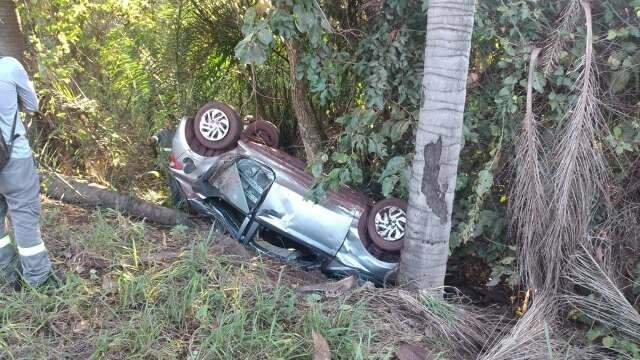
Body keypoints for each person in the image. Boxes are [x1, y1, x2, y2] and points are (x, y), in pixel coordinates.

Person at [0, 56, 56, 290]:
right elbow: (32, 106)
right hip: (14, 156)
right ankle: (39, 279)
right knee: (24, 215)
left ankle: (6, 269)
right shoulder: (9, 66)